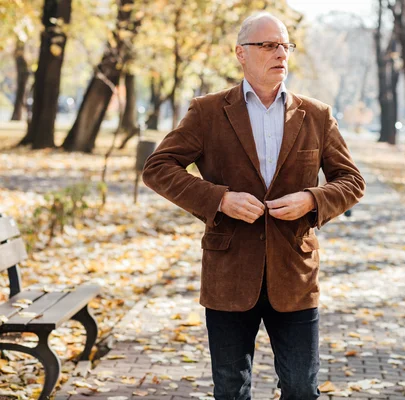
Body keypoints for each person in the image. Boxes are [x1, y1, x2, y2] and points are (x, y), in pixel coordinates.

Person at [142, 12, 365, 400]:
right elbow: (158, 167)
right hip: (228, 273)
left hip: (294, 275)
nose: (280, 53)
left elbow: (352, 181)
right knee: (230, 390)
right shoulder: (208, 111)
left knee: (301, 389)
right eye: (267, 45)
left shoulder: (316, 115)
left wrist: (312, 200)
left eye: (284, 45)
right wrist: (220, 199)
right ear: (240, 54)